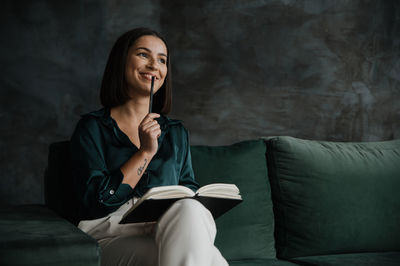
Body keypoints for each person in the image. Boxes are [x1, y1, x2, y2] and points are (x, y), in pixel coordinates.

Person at [70, 27, 228, 266]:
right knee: (211, 259)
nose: (154, 65)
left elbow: (188, 188)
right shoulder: (92, 127)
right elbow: (96, 202)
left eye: (162, 60)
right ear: (121, 62)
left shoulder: (175, 132)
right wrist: (145, 152)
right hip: (111, 235)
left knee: (190, 214)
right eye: (144, 55)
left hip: (167, 229)